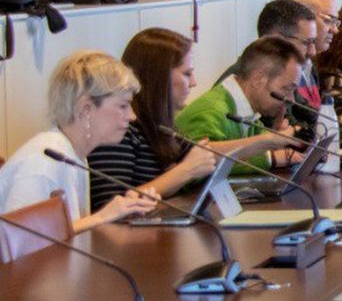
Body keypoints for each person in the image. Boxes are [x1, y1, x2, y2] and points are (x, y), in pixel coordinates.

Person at [88, 29, 287, 211]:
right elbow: (111, 205)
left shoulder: (159, 125)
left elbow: (206, 154)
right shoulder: (120, 128)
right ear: (159, 76)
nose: (194, 83)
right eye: (187, 73)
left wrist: (269, 141)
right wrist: (184, 171)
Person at [0, 52, 159, 232]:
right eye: (123, 106)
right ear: (86, 109)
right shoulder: (42, 164)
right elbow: (21, 244)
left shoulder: (74, 154)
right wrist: (102, 217)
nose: (132, 116)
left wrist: (125, 210)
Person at [176, 37, 306, 172]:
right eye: (287, 89)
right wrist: (269, 157)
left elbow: (255, 145)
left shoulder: (247, 108)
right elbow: (198, 168)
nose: (292, 99)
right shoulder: (209, 113)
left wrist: (276, 142)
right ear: (258, 79)